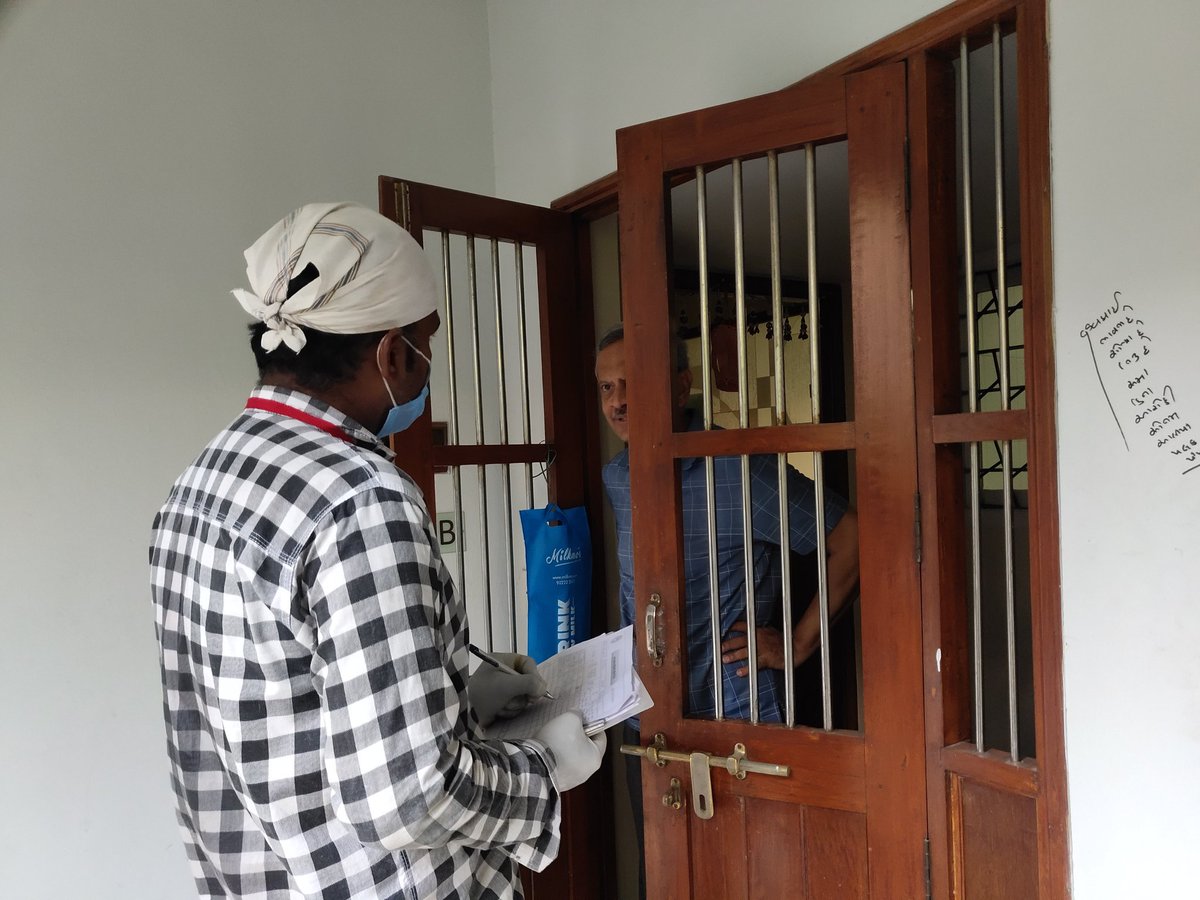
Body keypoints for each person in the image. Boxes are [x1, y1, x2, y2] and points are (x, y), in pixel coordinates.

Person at [149, 202, 605, 900]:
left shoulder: (200, 483)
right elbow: (408, 798)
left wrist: (455, 690)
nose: (426, 364)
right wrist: (541, 767)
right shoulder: (360, 499)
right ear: (393, 353)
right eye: (427, 341)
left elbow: (281, 697)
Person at [594, 324, 859, 896]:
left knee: (749, 877)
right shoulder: (618, 477)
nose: (617, 401)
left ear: (681, 384)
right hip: (649, 721)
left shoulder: (739, 468)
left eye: (631, 383)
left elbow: (851, 539)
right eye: (607, 388)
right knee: (663, 877)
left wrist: (797, 643)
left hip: (736, 721)